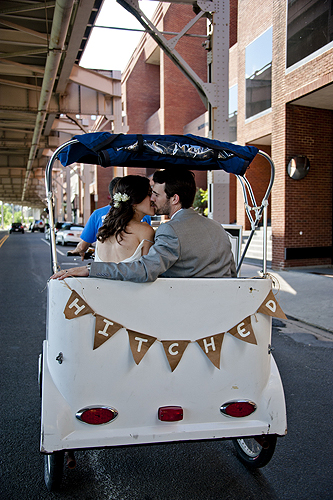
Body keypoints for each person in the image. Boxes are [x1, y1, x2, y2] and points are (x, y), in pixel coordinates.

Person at [51, 167, 236, 281]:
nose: (153, 199)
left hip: (184, 310)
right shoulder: (217, 227)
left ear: (174, 199)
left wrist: (91, 270)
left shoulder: (169, 230)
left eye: (156, 194)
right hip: (222, 311)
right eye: (151, 194)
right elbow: (231, 271)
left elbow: (146, 270)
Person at [69, 176, 151, 260]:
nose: (152, 198)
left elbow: (83, 246)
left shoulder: (99, 216)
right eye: (149, 194)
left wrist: (78, 251)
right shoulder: (145, 222)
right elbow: (146, 266)